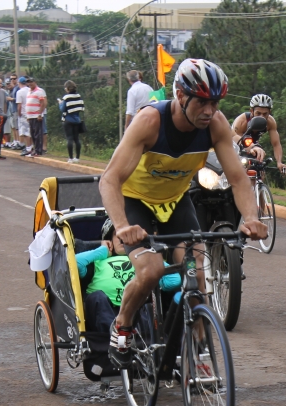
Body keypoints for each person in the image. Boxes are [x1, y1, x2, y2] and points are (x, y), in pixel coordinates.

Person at [99, 58, 268, 367]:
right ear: (180, 96)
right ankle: (122, 324)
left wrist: (252, 218)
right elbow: (109, 179)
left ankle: (198, 356)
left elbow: (238, 178)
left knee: (197, 274)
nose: (209, 110)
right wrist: (122, 226)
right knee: (151, 271)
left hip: (175, 202)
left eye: (214, 103)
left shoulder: (215, 125)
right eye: (202, 102)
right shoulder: (150, 122)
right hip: (136, 202)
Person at [77, 219, 180, 333]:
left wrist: (147, 253)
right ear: (109, 240)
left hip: (135, 308)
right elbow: (75, 262)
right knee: (96, 297)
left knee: (146, 301)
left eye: (128, 235)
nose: (122, 239)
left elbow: (175, 279)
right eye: (117, 235)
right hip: (104, 308)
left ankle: (136, 337)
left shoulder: (144, 262)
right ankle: (114, 336)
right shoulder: (99, 260)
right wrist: (102, 251)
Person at [231, 94, 286, 173]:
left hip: (254, 144)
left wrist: (279, 162)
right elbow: (236, 140)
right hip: (236, 144)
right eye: (258, 113)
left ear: (269, 112)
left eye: (265, 114)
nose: (261, 117)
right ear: (251, 111)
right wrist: (252, 147)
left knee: (260, 170)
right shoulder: (242, 121)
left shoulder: (270, 122)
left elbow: (276, 144)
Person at [59, 80, 84, 163]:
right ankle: (77, 158)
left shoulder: (66, 97)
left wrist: (60, 103)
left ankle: (70, 158)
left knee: (69, 138)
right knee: (77, 139)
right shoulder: (79, 96)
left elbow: (63, 109)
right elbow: (81, 107)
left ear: (67, 88)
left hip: (68, 119)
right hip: (77, 120)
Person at [24, 77, 46, 158]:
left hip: (36, 116)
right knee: (33, 134)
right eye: (28, 82)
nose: (30, 84)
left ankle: (38, 151)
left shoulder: (39, 91)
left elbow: (42, 103)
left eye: (31, 82)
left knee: (37, 134)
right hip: (30, 116)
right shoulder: (29, 91)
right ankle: (35, 149)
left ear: (35, 82)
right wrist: (27, 116)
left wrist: (40, 114)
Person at [15, 77, 31, 154]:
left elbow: (19, 105)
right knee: (30, 131)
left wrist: (19, 114)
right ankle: (30, 146)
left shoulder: (19, 92)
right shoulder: (30, 90)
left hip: (23, 114)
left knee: (25, 132)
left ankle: (28, 148)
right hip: (30, 113)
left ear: (19, 83)